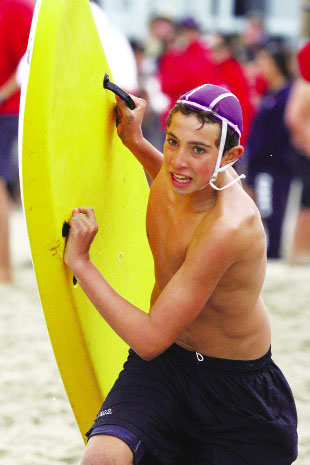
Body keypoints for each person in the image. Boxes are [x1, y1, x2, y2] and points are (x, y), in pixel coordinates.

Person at [64, 84, 298, 464]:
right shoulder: (178, 178)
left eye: (199, 149)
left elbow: (150, 337)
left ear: (231, 156)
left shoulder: (229, 227)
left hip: (234, 395)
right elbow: (173, 177)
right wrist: (135, 141)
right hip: (164, 369)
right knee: (102, 457)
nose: (178, 162)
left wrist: (82, 264)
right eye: (172, 141)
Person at [244, 39, 299, 259]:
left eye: (264, 61)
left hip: (273, 165)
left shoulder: (286, 94)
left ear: (275, 64)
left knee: (270, 210)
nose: (260, 66)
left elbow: (280, 133)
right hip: (261, 163)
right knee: (261, 209)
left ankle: (273, 254)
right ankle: (268, 252)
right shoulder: (271, 94)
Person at [0, 0, 33, 282]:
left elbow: (29, 61)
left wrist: (1, 94)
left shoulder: (17, 8)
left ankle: (4, 269)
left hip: (6, 108)